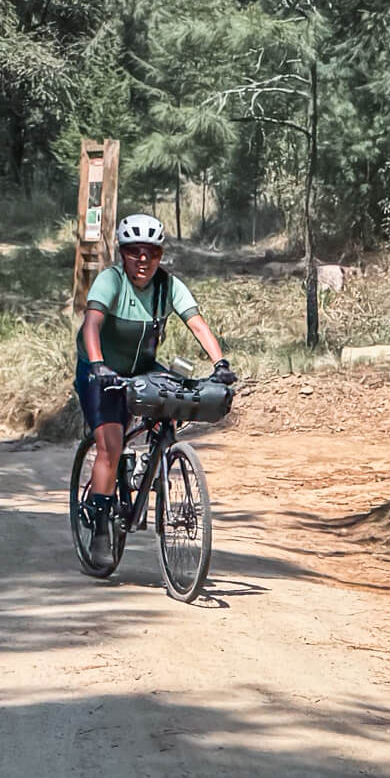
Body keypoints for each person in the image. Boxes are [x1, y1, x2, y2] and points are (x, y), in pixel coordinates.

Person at [75, 213, 236, 560]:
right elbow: (91, 325)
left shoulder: (168, 286)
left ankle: (158, 461)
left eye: (152, 252)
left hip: (143, 368)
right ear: (123, 253)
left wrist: (220, 363)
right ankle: (101, 525)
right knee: (111, 445)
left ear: (161, 254)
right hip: (99, 369)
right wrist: (98, 363)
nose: (143, 259)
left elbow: (197, 324)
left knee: (175, 399)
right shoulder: (111, 281)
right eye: (135, 251)